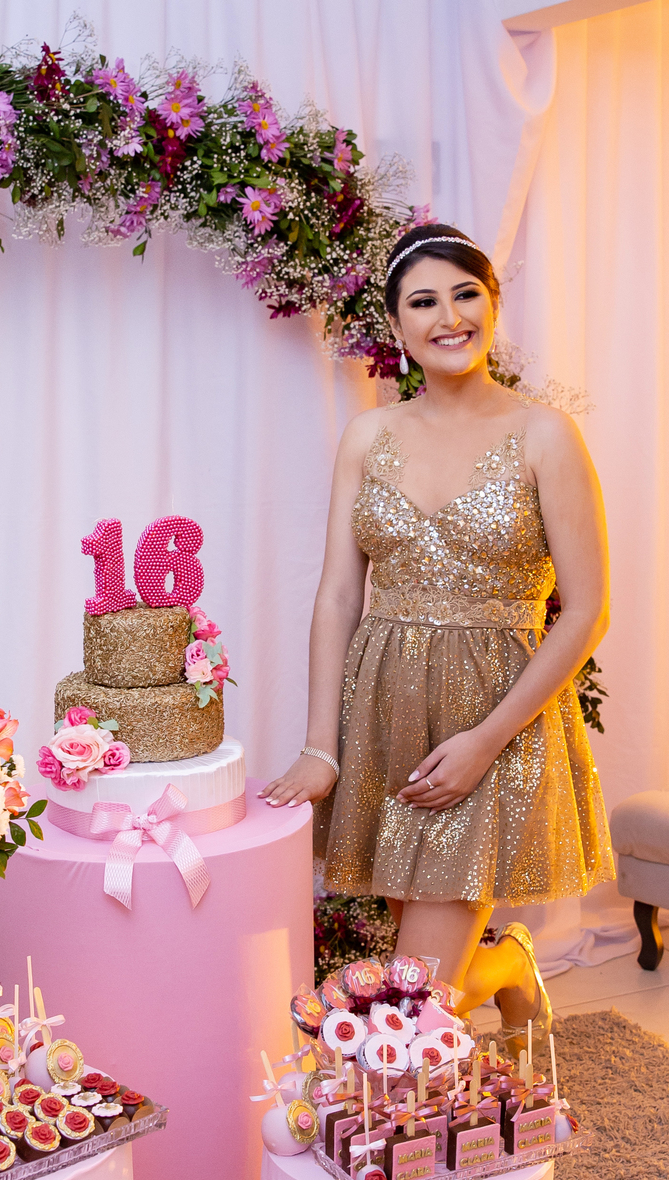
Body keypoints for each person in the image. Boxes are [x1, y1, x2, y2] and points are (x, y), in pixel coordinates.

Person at [260, 222, 613, 1044]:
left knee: (409, 1009)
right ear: (397, 326)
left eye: (466, 294)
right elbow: (338, 596)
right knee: (423, 967)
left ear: (492, 305)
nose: (449, 316)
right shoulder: (369, 437)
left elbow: (588, 609)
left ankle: (422, 1113)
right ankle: (507, 966)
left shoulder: (546, 435)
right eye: (425, 300)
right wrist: (323, 746)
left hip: (499, 721)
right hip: (386, 710)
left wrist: (486, 741)